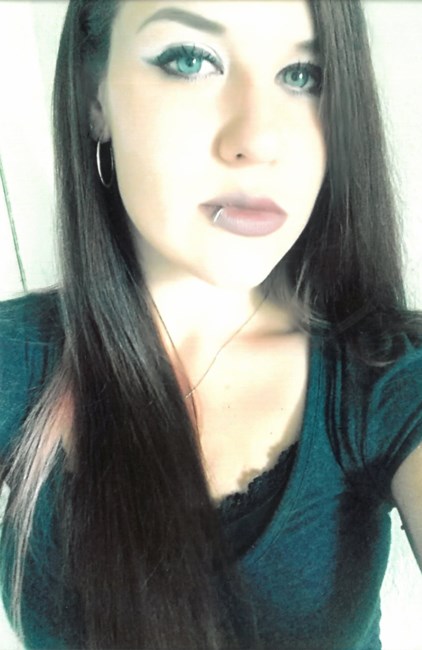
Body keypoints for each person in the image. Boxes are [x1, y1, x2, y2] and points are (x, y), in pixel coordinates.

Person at [0, 0, 421, 648]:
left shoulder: (386, 379)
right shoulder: (17, 358)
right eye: (190, 60)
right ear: (94, 97)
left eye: (303, 75)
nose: (260, 139)